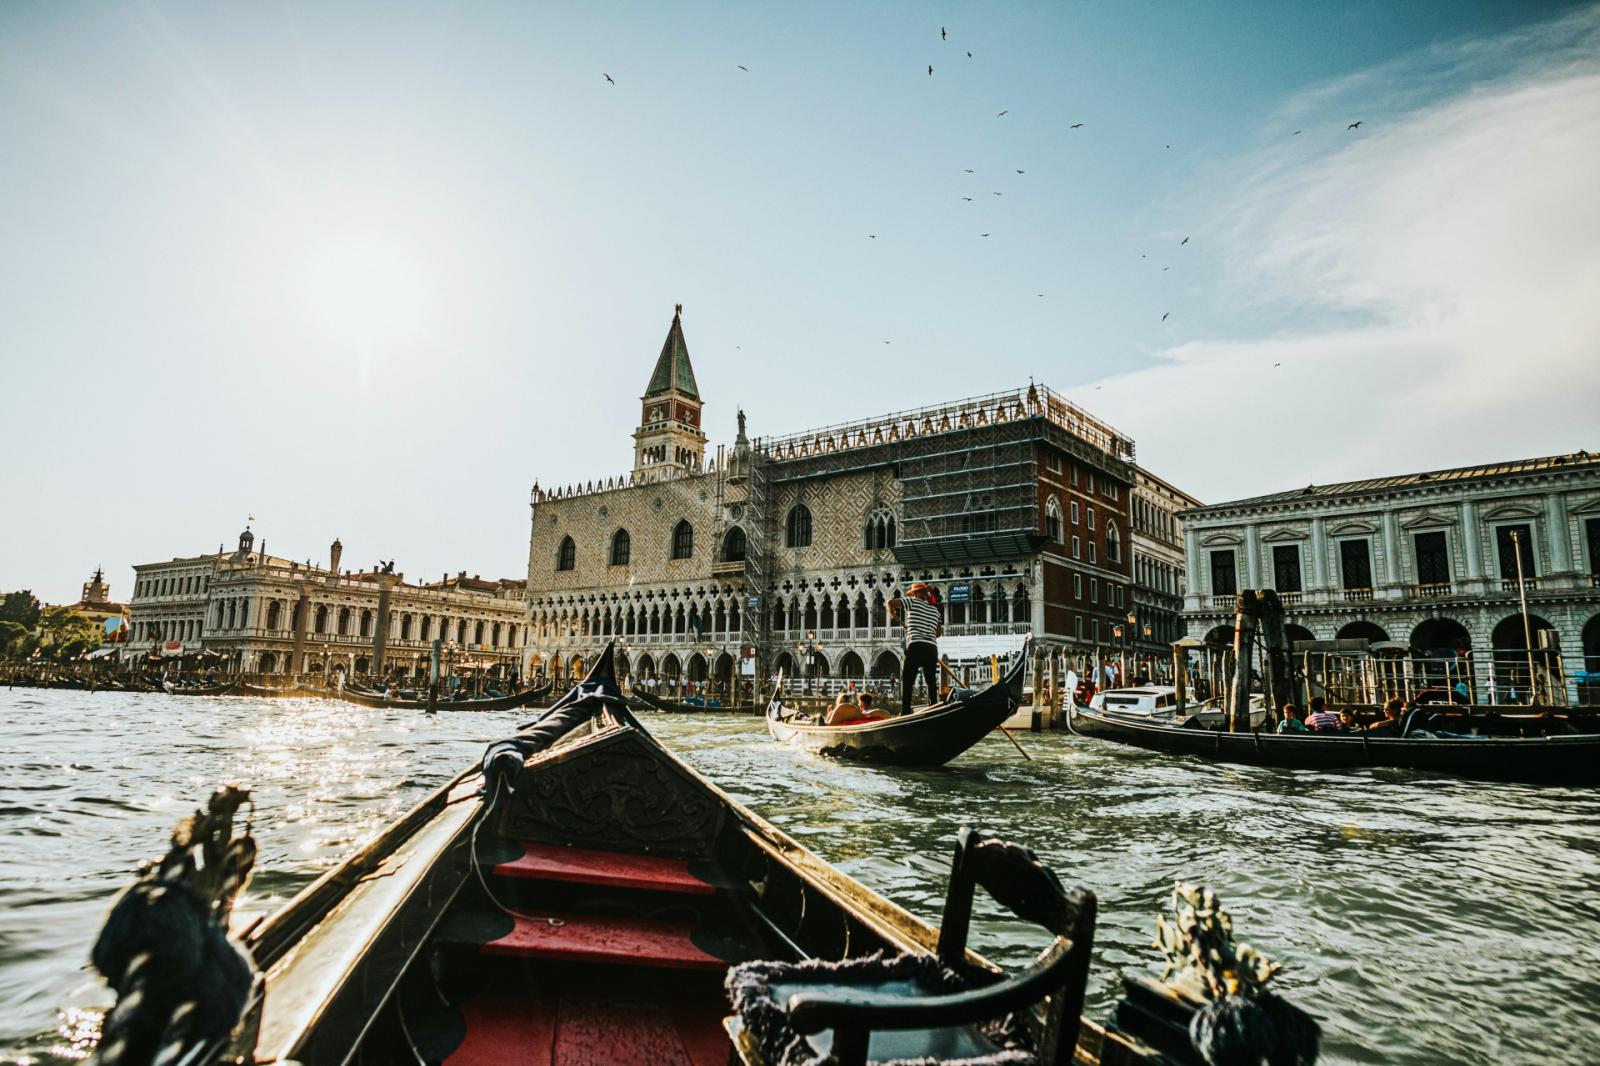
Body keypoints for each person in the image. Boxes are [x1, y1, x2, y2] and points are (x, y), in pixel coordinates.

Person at [888, 583, 943, 715]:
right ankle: (933, 707)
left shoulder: (912, 603)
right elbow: (939, 633)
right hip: (931, 648)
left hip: (916, 646)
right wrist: (926, 632)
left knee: (908, 679)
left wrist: (892, 611)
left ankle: (906, 710)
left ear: (918, 594)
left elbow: (891, 602)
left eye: (914, 593)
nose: (912, 595)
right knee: (930, 680)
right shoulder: (936, 611)